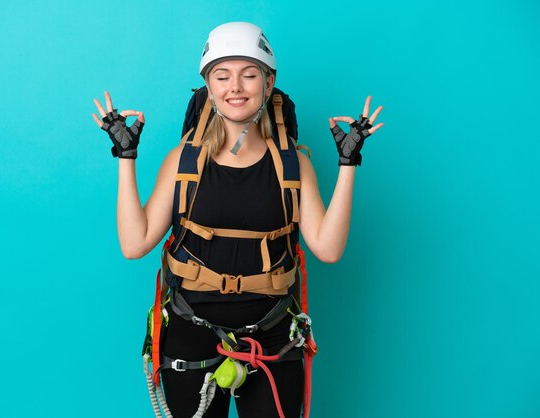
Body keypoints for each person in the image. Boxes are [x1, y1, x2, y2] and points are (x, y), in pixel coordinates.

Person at [91, 22, 384, 418]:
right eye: (222, 75)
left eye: (249, 74)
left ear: (269, 81)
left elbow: (328, 249)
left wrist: (348, 164)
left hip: (272, 334)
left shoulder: (292, 164)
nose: (236, 87)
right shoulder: (184, 162)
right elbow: (135, 243)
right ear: (208, 86)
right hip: (190, 333)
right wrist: (126, 158)